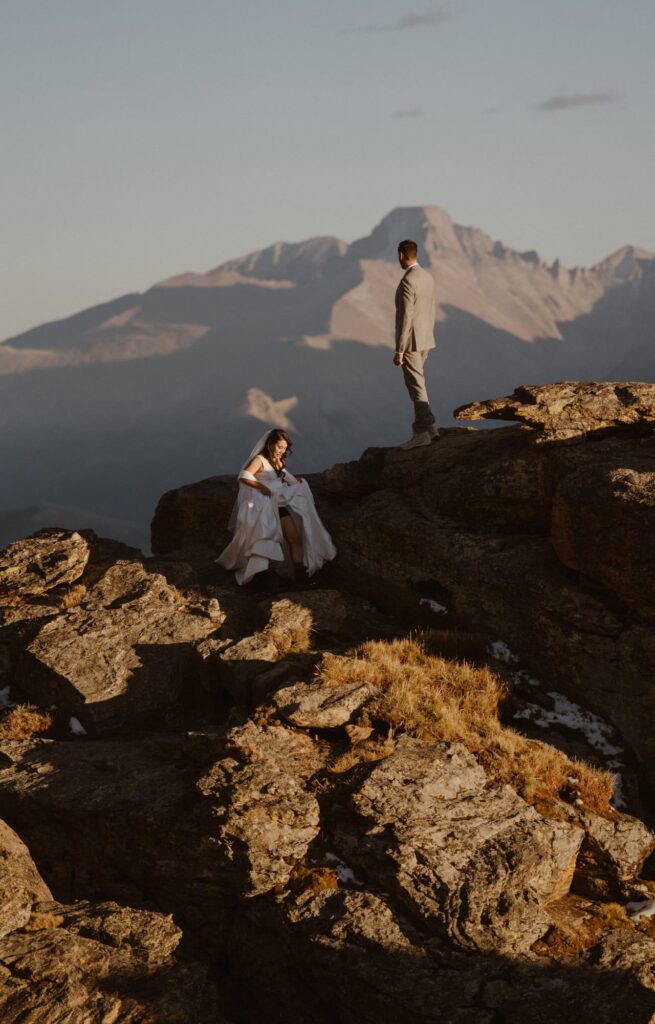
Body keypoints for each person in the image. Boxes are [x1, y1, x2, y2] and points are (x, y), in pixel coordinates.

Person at [216, 428, 336, 586]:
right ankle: (262, 578)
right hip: (265, 506)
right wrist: (261, 487)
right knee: (267, 540)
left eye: (285, 448)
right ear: (270, 444)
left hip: (279, 504)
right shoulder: (259, 460)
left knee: (294, 538)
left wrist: (295, 481)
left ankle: (301, 577)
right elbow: (244, 476)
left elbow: (281, 476)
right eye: (280, 447)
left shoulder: (279, 461)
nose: (282, 451)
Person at [393, 239, 440, 450]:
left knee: (416, 387)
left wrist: (399, 350)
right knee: (419, 384)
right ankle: (432, 430)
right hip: (426, 340)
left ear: (401, 255)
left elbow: (406, 318)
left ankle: (421, 433)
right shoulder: (428, 277)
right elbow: (430, 311)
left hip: (411, 342)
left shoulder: (407, 281)